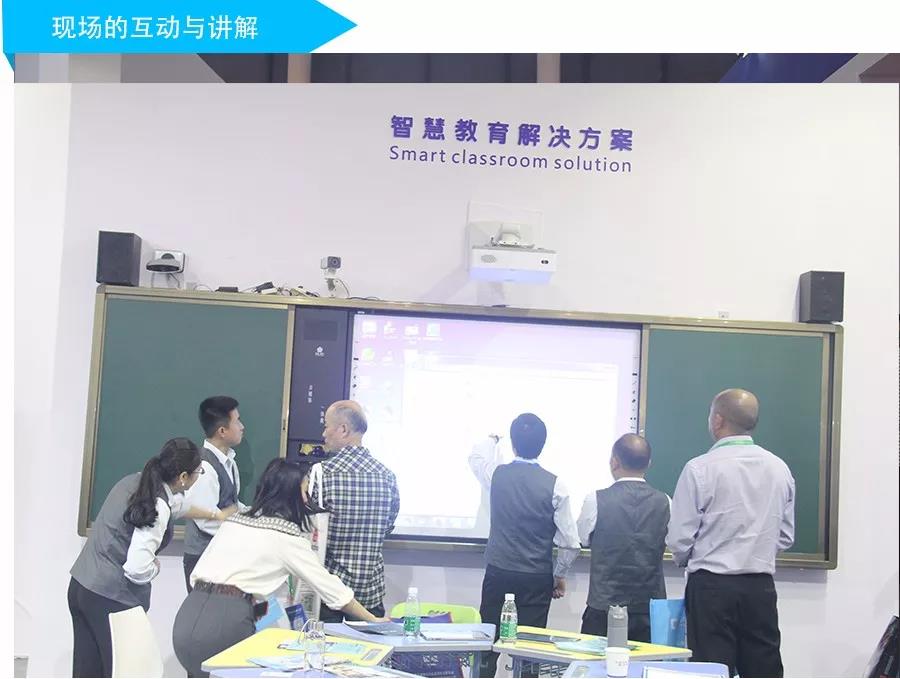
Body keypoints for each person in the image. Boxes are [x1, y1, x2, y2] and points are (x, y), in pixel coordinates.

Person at [173, 458, 386, 677]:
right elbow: (335, 592)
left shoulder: (234, 522)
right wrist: (373, 619)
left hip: (188, 616)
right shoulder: (286, 537)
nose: (307, 498)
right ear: (293, 495)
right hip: (228, 623)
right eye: (305, 491)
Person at [68, 438, 226, 678]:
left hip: (82, 586)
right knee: (125, 671)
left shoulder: (136, 482)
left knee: (88, 672)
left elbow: (179, 506)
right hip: (111, 597)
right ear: (183, 477)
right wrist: (154, 566)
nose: (199, 476)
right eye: (198, 472)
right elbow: (137, 568)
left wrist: (215, 514)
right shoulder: (157, 504)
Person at [667, 388, 795, 678]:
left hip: (710, 587)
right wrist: (754, 550)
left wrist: (689, 559)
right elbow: (786, 536)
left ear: (718, 420)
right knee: (763, 670)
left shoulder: (700, 468)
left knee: (711, 669)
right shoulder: (780, 468)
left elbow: (679, 539)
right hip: (760, 588)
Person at [469, 413, 581, 677]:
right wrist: (559, 575)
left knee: (487, 645)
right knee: (529, 651)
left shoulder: (496, 474)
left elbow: (475, 458)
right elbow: (570, 543)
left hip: (499, 572)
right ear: (543, 444)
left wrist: (492, 440)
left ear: (513, 443)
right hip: (536, 578)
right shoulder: (556, 485)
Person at [575, 433, 670, 642]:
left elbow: (582, 538)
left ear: (614, 462)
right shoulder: (665, 502)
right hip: (648, 610)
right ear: (649, 464)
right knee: (646, 662)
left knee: (596, 662)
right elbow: (673, 542)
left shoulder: (595, 499)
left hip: (603, 606)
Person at [312, 400, 400, 622]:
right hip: (371, 598)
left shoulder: (322, 474)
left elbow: (310, 533)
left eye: (326, 426)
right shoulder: (387, 476)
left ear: (343, 429)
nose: (323, 434)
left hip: (330, 596)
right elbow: (387, 527)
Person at [182, 395, 247, 591]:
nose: (242, 427)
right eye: (237, 421)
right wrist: (242, 530)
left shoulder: (229, 461)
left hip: (219, 554)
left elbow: (231, 503)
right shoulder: (204, 466)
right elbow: (205, 519)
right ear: (222, 431)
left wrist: (254, 514)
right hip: (203, 558)